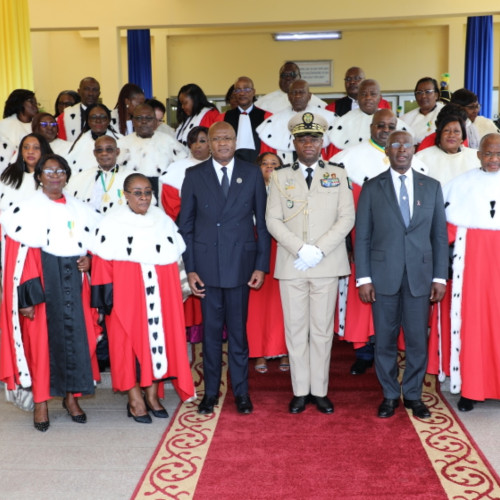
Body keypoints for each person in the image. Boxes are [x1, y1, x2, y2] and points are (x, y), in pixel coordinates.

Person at [0, 154, 101, 432]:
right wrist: (27, 298)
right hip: (43, 284)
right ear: (39, 176)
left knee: (77, 341)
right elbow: (20, 257)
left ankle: (71, 399)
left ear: (67, 175)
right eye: (48, 171)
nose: (55, 176)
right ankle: (41, 402)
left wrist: (90, 261)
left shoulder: (82, 210)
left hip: (75, 283)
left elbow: (94, 244)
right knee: (41, 345)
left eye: (60, 171)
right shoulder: (25, 210)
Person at [178, 121, 270, 415]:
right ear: (208, 143)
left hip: (241, 266)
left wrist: (261, 265)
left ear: (235, 141)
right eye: (216, 139)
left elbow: (263, 224)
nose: (222, 144)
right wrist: (189, 269)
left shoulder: (251, 172)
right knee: (211, 335)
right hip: (206, 268)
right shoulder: (194, 175)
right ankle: (210, 394)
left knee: (239, 335)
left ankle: (241, 392)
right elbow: (186, 227)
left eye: (227, 138)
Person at [354, 130, 448, 419]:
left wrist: (440, 277)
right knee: (384, 339)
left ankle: (413, 395)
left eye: (406, 145)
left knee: (418, 340)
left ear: (414, 149)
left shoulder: (431, 186)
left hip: (420, 277)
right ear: (387, 151)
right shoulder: (372, 188)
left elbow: (439, 237)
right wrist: (364, 278)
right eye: (395, 145)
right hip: (382, 277)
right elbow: (363, 237)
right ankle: (390, 395)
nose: (401, 150)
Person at [266, 112, 355, 414]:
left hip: (326, 262)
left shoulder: (338, 174)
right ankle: (300, 391)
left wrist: (317, 250)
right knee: (295, 329)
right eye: (303, 138)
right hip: (293, 264)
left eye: (314, 138)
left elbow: (347, 218)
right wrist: (300, 249)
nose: (308, 143)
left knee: (321, 330)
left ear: (322, 142)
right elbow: (272, 220)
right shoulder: (280, 176)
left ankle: (320, 390)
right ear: (294, 141)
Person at [91, 173, 195, 423]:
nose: (144, 197)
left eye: (148, 191)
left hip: (161, 296)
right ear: (125, 195)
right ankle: (134, 398)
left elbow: (176, 259)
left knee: (158, 343)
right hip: (125, 298)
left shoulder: (163, 220)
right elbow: (102, 262)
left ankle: (151, 394)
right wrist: (107, 302)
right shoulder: (112, 221)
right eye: (137, 192)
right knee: (126, 348)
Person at [330, 109, 428, 375]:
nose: (385, 130)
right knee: (365, 304)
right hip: (359, 243)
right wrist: (349, 247)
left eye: (390, 126)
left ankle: (395, 355)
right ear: (371, 127)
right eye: (380, 125)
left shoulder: (414, 162)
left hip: (402, 251)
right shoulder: (348, 158)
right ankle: (363, 352)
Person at [434, 133, 500, 412]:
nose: (493, 159)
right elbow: (442, 232)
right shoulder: (460, 185)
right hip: (470, 268)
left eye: (498, 154)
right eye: (488, 153)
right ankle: (470, 388)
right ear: (477, 154)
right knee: (472, 325)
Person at [160, 126, 210, 345]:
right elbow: (171, 205)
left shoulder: (223, 166)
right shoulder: (177, 169)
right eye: (194, 141)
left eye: (203, 140)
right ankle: (193, 329)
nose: (198, 146)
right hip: (187, 234)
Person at [247, 153, 288, 374]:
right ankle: (259, 352)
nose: (270, 167)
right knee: (258, 306)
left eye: (275, 164)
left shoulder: (290, 188)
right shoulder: (249, 188)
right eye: (265, 164)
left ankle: (284, 351)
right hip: (257, 250)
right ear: (258, 168)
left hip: (283, 249)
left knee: (283, 304)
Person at [257, 79, 337, 164]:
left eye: (301, 92)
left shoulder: (328, 117)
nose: (297, 96)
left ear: (309, 96)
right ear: (288, 96)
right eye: (293, 92)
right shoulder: (275, 121)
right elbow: (268, 155)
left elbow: (333, 152)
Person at [120, 103, 187, 200]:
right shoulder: (122, 144)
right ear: (133, 121)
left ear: (155, 122)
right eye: (139, 118)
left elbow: (181, 173)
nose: (144, 122)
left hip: (164, 199)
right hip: (130, 200)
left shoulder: (170, 142)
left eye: (148, 118)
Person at [329, 79, 410, 151]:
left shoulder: (391, 119)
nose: (368, 97)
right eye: (363, 94)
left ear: (380, 97)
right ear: (358, 97)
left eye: (373, 94)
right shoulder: (344, 121)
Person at [67, 135, 131, 213]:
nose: (104, 153)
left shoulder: (131, 178)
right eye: (99, 150)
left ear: (117, 152)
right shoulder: (80, 178)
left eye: (109, 149)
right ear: (94, 153)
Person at [415, 114, 480, 186]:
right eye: (447, 131)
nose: (451, 135)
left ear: (462, 137)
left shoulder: (475, 156)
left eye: (456, 131)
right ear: (439, 135)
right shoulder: (422, 157)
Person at [221, 76, 269, 163]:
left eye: (246, 89)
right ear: (234, 94)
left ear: (253, 92)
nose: (242, 93)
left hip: (259, 166)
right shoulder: (223, 118)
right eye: (238, 90)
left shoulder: (267, 117)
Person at [0, 133, 53, 211]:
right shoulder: (9, 173)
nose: (30, 151)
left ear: (44, 150)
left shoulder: (53, 176)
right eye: (26, 147)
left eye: (36, 148)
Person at [66, 104, 122, 175]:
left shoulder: (121, 141)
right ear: (88, 121)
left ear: (109, 120)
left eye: (102, 117)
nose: (98, 120)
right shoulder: (78, 144)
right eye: (93, 117)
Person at [255, 61, 326, 113]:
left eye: (292, 74)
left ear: (300, 77)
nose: (288, 78)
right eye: (284, 75)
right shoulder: (263, 102)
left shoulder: (317, 103)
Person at [325, 67, 391, 116]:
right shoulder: (333, 107)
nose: (352, 82)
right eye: (348, 79)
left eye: (356, 78)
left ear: (364, 80)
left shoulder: (383, 104)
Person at [401, 77, 444, 146]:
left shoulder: (446, 113)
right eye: (419, 92)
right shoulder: (405, 119)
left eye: (428, 92)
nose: (423, 96)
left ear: (436, 95)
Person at [57, 77, 101, 142]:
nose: (90, 93)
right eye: (86, 89)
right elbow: (62, 143)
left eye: (94, 90)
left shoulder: (108, 115)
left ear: (99, 93)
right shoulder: (65, 117)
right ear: (79, 92)